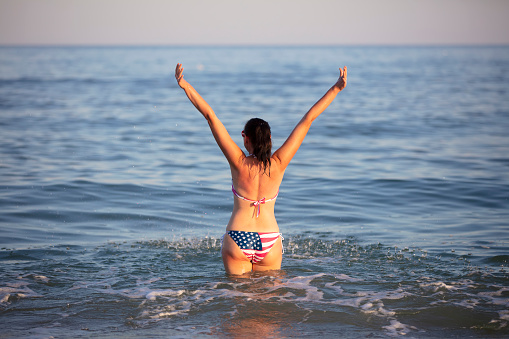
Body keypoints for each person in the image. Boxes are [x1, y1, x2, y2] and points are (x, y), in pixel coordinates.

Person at [175, 63, 347, 275]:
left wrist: (185, 86)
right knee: (269, 305)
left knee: (238, 303)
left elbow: (210, 116)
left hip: (238, 238)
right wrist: (336, 89)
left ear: (245, 138)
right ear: (270, 139)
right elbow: (308, 119)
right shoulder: (279, 163)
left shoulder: (238, 162)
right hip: (270, 241)